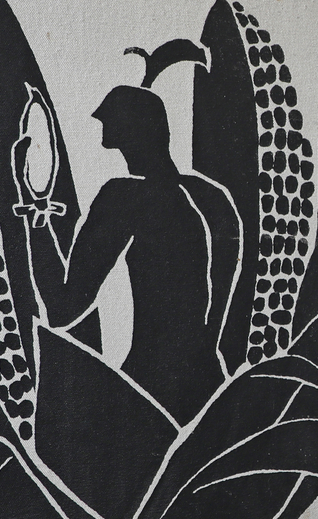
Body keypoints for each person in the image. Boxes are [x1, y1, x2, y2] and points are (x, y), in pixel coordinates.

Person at [16, 85, 241, 424]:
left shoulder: (124, 197)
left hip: (150, 393)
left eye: (110, 120)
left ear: (129, 130)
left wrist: (36, 214)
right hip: (213, 392)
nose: (102, 126)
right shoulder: (215, 198)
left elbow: (63, 308)